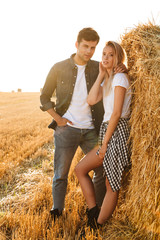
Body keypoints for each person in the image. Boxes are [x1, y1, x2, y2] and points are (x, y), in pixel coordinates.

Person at [40, 28, 126, 220]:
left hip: (91, 130)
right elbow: (44, 97)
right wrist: (58, 118)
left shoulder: (98, 66)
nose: (89, 51)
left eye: (93, 48)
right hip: (66, 129)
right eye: (85, 46)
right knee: (61, 172)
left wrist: (123, 68)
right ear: (77, 44)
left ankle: (97, 210)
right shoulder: (58, 67)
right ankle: (57, 211)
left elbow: (114, 71)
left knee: (100, 170)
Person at [75, 41, 132, 229]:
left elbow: (116, 113)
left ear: (118, 58)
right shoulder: (109, 80)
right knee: (80, 169)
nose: (105, 58)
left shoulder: (120, 78)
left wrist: (105, 142)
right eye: (104, 54)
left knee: (111, 185)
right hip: (107, 131)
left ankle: (96, 225)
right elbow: (91, 100)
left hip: (116, 131)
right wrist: (100, 74)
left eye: (111, 55)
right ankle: (94, 212)